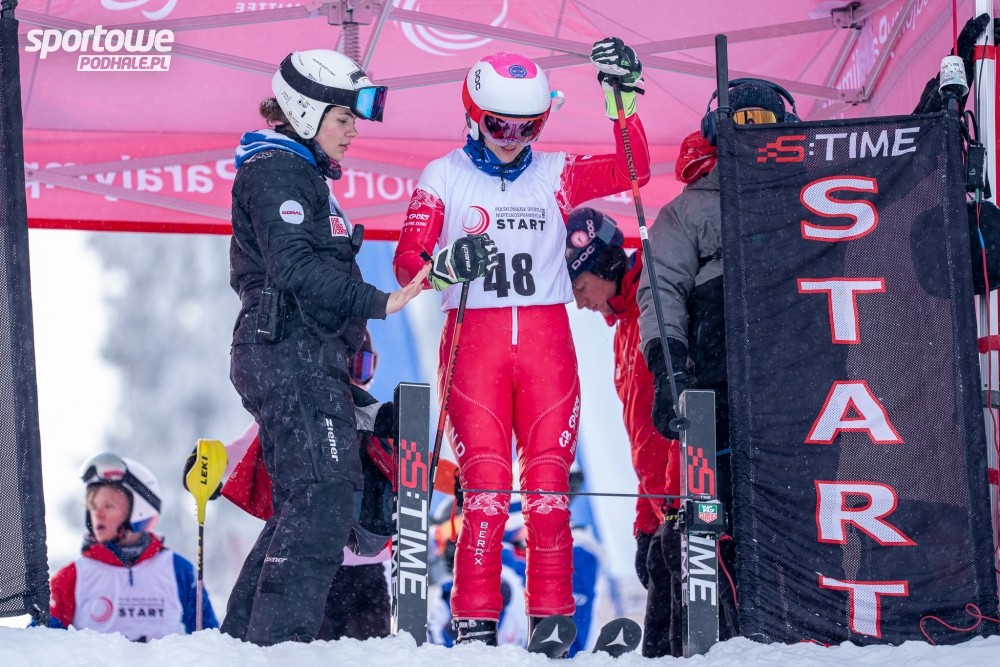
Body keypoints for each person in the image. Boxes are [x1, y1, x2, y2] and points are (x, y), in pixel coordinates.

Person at [392, 37, 650, 646]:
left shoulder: (555, 172)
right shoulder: (444, 175)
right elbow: (407, 262)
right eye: (497, 124)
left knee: (550, 490)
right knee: (484, 490)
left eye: (527, 126)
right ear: (472, 113)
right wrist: (441, 266)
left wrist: (624, 105)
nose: (511, 137)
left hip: (545, 346)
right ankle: (475, 626)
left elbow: (633, 170)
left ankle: (552, 624)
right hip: (474, 347)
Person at [227, 49, 429, 646]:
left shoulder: (298, 172)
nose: (353, 131)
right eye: (343, 118)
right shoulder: (277, 172)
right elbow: (292, 267)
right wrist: (379, 302)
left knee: (307, 497)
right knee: (324, 495)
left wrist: (354, 334)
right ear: (304, 111)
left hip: (301, 352)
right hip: (286, 350)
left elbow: (310, 269)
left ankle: (237, 644)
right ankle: (277, 648)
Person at [636, 79, 798, 654]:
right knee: (718, 518)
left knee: (799, 513)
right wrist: (668, 370)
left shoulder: (817, 193)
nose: (751, 135)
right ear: (715, 132)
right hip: (719, 387)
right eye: (740, 122)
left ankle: (807, 629)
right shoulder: (687, 211)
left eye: (764, 123)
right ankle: (729, 644)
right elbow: (660, 292)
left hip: (802, 385)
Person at [563, 204, 691, 657]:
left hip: (683, 507)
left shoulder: (659, 309)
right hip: (663, 510)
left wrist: (672, 510)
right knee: (661, 649)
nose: (581, 303)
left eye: (581, 287)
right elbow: (644, 441)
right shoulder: (623, 328)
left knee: (683, 649)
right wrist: (645, 522)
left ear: (604, 264)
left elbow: (681, 426)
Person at [212, 329, 396, 643]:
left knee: (369, 653)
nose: (354, 380)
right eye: (347, 366)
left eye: (362, 367)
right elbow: (244, 448)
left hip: (366, 569)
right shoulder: (301, 411)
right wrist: (210, 464)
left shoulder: (376, 416)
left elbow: (418, 463)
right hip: (311, 566)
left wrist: (457, 481)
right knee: (312, 650)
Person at [46, 452, 217, 641]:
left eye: (108, 506)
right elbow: (41, 643)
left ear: (140, 509)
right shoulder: (71, 577)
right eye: (93, 507)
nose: (97, 515)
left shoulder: (178, 570)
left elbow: (210, 642)